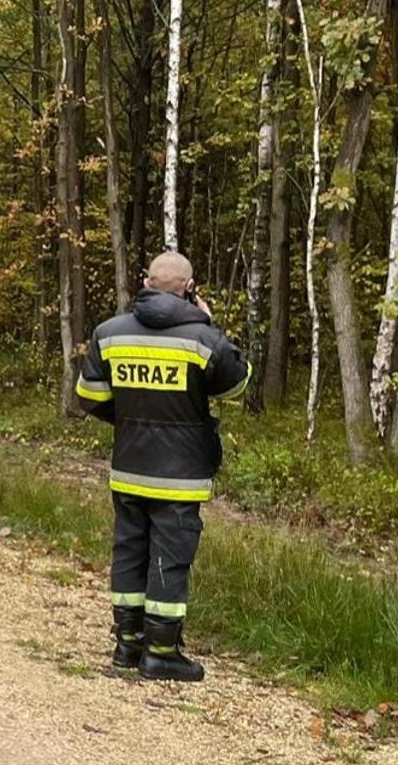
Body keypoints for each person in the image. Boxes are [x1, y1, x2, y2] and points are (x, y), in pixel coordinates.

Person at [76, 252, 249, 683]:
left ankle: (126, 645)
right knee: (169, 560)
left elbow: (89, 395)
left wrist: (129, 419)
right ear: (188, 288)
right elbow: (237, 380)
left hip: (129, 466)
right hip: (181, 475)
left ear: (146, 282)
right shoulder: (201, 338)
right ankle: (162, 653)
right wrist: (208, 323)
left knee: (129, 552)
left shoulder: (109, 333)